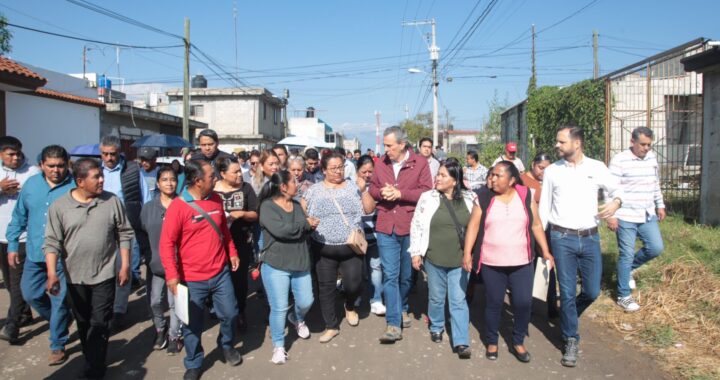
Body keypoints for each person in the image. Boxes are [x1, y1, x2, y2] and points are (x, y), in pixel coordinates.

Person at [539, 126, 624, 368]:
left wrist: (616, 203)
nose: (557, 145)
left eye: (561, 141)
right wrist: (542, 245)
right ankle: (570, 339)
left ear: (577, 144)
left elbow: (616, 190)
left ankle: (568, 316)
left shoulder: (596, 167)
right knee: (566, 292)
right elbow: (544, 208)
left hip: (590, 238)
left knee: (592, 291)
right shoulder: (553, 171)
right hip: (561, 238)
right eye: (557, 141)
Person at [44, 158, 134, 379]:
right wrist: (52, 273)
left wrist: (125, 265)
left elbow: (124, 233)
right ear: (80, 181)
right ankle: (91, 355)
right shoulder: (60, 206)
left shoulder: (111, 201)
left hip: (104, 273)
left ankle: (95, 367)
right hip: (75, 276)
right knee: (83, 322)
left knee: (100, 322)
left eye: (102, 175)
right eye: (97, 177)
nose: (102, 180)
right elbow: (52, 242)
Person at [159, 160, 242, 380]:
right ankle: (194, 362)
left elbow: (223, 229)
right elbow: (167, 244)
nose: (215, 179)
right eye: (211, 176)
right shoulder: (178, 207)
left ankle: (226, 345)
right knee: (192, 325)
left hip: (220, 272)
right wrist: (172, 276)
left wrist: (231, 251)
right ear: (198, 181)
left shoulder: (215, 199)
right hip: (191, 279)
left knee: (231, 314)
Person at [464, 162, 553, 363]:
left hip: (522, 261)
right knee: (494, 303)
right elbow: (473, 227)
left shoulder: (526, 195)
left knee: (523, 303)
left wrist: (545, 251)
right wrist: (468, 254)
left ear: (512, 180)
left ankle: (518, 340)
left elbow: (537, 224)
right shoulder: (484, 198)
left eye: (498, 175)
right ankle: (492, 340)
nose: (492, 179)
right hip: (492, 262)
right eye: (492, 175)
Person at [6, 145, 73, 363]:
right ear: (42, 165)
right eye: (51, 166)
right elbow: (19, 216)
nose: (56, 170)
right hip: (35, 252)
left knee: (59, 300)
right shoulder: (31, 185)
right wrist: (13, 244)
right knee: (30, 294)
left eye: (61, 166)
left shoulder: (74, 186)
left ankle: (57, 343)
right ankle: (61, 320)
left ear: (67, 165)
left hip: (64, 256)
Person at [369, 126, 433, 343]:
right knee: (390, 275)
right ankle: (393, 322)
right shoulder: (381, 163)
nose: (385, 150)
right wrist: (382, 193)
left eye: (389, 145)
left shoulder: (420, 163)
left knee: (406, 276)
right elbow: (373, 189)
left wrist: (400, 193)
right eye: (384, 145)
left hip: (410, 226)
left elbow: (427, 192)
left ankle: (402, 305)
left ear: (402, 144)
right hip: (386, 225)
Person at [409, 161, 476, 359]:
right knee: (437, 297)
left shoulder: (471, 198)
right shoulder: (427, 197)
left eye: (443, 175)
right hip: (434, 258)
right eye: (438, 174)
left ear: (455, 181)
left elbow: (477, 226)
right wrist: (415, 252)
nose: (438, 178)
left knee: (458, 300)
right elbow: (417, 225)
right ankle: (436, 325)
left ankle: (461, 340)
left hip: (461, 260)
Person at [303, 152, 365, 343]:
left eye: (341, 167)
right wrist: (308, 221)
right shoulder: (314, 190)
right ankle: (331, 326)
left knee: (354, 283)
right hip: (323, 248)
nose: (338, 171)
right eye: (333, 168)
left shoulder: (353, 187)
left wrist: (364, 191)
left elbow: (369, 208)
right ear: (323, 170)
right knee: (326, 287)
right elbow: (303, 207)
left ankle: (349, 305)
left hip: (350, 246)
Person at [258, 171, 318, 364]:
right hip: (276, 265)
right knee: (279, 307)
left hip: (300, 261)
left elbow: (301, 230)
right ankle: (278, 345)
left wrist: (309, 225)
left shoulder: (296, 205)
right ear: (283, 187)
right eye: (293, 181)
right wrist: (305, 224)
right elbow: (281, 231)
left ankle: (297, 318)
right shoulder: (267, 207)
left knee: (307, 301)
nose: (297, 183)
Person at [607, 127, 665, 313]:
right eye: (643, 144)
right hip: (625, 215)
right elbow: (610, 188)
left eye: (649, 145)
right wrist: (611, 215)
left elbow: (655, 183)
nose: (646, 148)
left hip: (647, 213)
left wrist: (660, 204)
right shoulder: (619, 160)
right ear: (632, 142)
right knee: (626, 253)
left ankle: (628, 269)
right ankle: (624, 295)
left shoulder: (651, 159)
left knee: (656, 247)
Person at [99, 135, 146, 330]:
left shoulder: (133, 171)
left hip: (126, 227)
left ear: (119, 153)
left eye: (113, 154)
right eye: (105, 154)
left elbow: (145, 197)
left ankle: (119, 309)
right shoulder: (93, 171)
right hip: (99, 229)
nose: (109, 158)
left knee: (122, 268)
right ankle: (104, 306)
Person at [139, 167, 184, 355]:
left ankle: (175, 335)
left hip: (177, 264)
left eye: (172, 179)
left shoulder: (183, 204)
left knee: (175, 304)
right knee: (155, 301)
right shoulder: (149, 208)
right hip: (155, 263)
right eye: (164, 179)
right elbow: (142, 233)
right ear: (157, 183)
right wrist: (146, 255)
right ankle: (160, 329)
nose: (169, 183)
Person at [0, 136, 39, 344]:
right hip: (1, 236)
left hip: (22, 237)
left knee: (17, 284)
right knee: (8, 282)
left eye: (18, 153)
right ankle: (24, 313)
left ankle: (12, 325)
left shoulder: (32, 173)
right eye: (10, 154)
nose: (15, 158)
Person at [214, 156, 258, 331]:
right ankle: (222, 313)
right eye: (236, 172)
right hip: (216, 244)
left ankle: (240, 312)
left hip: (241, 242)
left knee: (239, 280)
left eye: (240, 170)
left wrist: (243, 214)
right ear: (223, 174)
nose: (240, 174)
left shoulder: (246, 189)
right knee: (218, 280)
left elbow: (256, 213)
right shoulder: (213, 190)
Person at [520, 153, 558, 319]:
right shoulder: (522, 180)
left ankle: (551, 306)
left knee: (547, 264)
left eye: (547, 168)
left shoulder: (550, 180)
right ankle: (526, 305)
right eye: (541, 168)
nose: (544, 171)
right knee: (529, 267)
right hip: (528, 229)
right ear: (533, 165)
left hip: (547, 229)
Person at [356, 155, 384, 315]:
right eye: (363, 171)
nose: (367, 175)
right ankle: (356, 295)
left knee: (375, 267)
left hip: (374, 233)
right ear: (357, 171)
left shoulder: (378, 186)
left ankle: (376, 298)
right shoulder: (350, 185)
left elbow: (373, 208)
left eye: (370, 171)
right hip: (357, 236)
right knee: (357, 270)